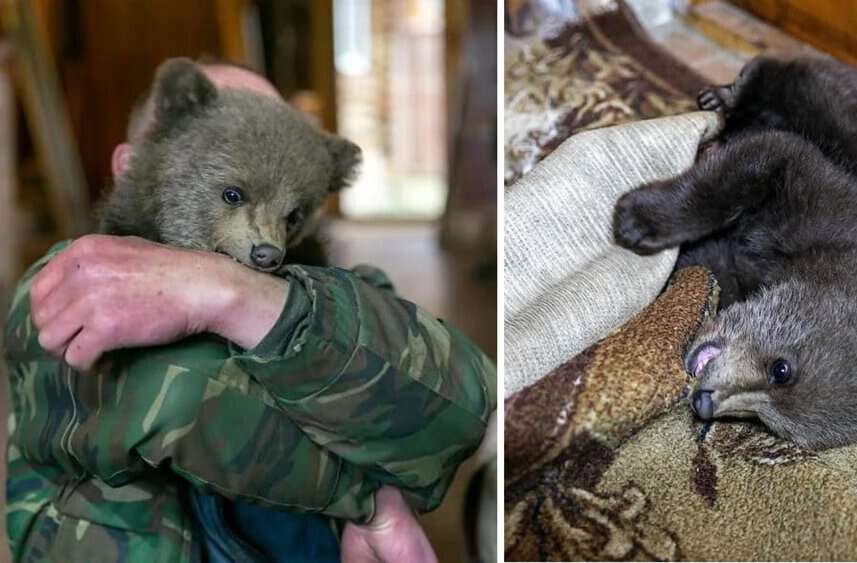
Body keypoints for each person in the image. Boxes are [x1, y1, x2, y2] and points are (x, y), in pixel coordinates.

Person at [4, 63, 496, 562]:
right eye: (233, 196)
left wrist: (233, 296)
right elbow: (188, 406)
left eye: (290, 217)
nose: (270, 246)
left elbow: (463, 409)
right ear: (129, 164)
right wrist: (375, 500)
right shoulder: (64, 285)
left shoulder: (346, 293)